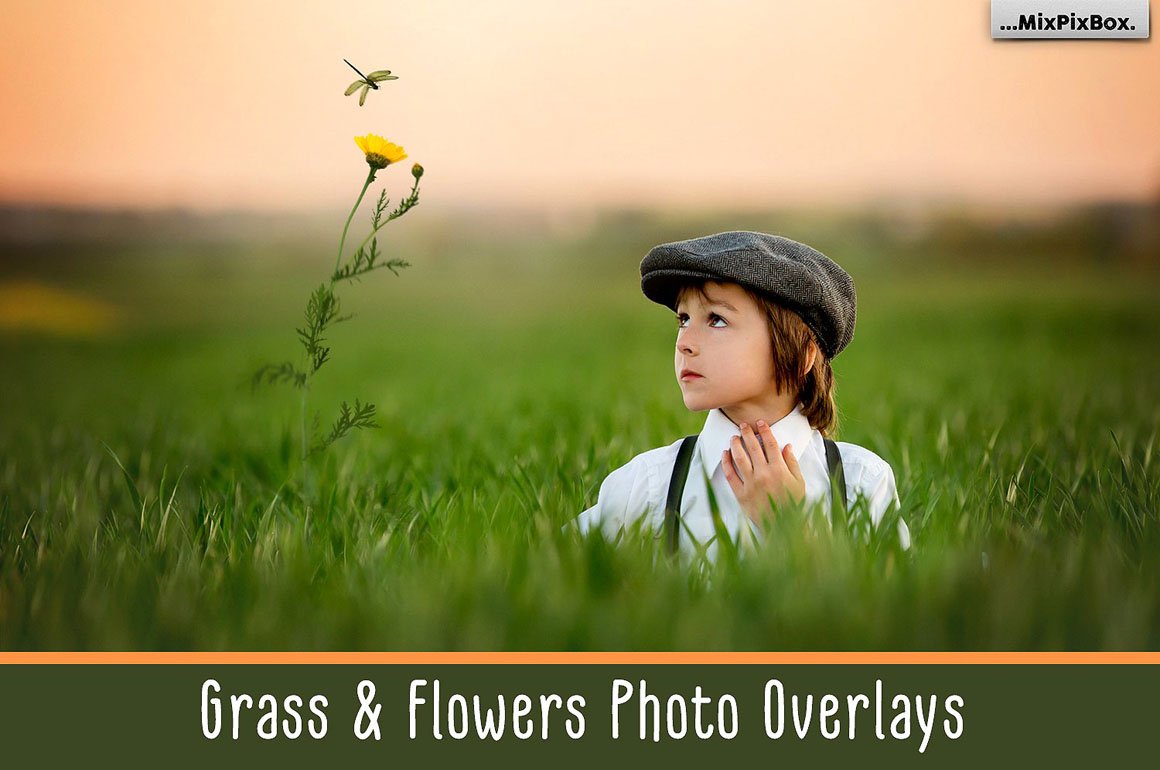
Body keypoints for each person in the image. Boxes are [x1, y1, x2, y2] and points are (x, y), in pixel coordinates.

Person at [573, 231, 911, 562]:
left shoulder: (861, 482)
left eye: (716, 320)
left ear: (804, 353)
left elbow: (889, 612)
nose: (684, 342)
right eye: (683, 319)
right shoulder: (647, 486)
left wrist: (793, 531)